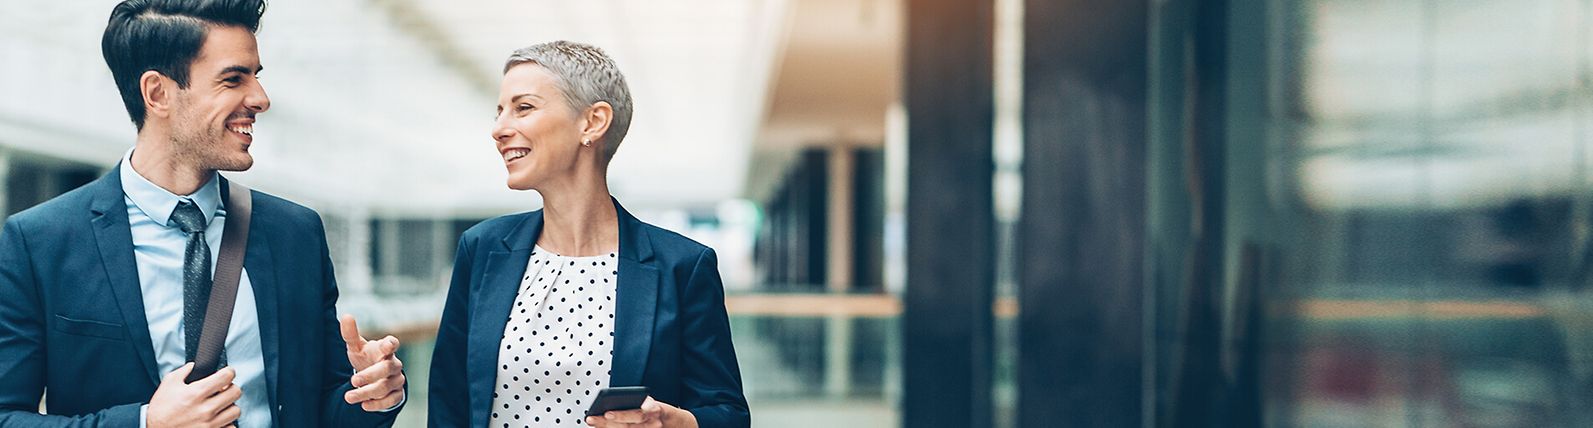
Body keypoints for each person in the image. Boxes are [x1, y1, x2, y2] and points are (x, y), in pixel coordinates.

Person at [0, 1, 406, 426]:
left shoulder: (295, 234)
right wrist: (144, 423)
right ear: (158, 93)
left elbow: (325, 405)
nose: (261, 99)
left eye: (256, 77)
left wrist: (374, 394)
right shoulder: (42, 242)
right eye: (233, 79)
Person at [428, 41, 750, 428]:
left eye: (523, 107)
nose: (499, 129)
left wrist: (674, 422)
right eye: (499, 112)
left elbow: (728, 414)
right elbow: (448, 406)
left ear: (593, 122)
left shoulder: (682, 266)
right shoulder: (481, 249)